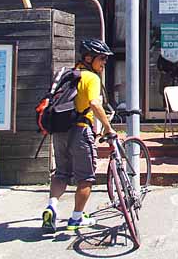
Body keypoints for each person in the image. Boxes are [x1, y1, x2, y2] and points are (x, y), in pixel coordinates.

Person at [42, 39, 115, 233]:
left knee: (61, 173)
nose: (104, 63)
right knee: (86, 178)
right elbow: (94, 103)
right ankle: (76, 218)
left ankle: (51, 206)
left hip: (59, 131)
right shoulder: (91, 78)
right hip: (80, 131)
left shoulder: (68, 75)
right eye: (102, 59)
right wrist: (108, 128)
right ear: (89, 58)